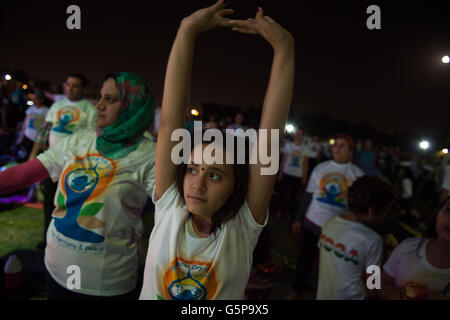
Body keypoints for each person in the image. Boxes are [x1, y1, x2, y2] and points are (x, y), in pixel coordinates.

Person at [139, 0, 295, 300]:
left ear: (236, 185)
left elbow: (270, 137)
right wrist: (187, 31)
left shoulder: (242, 227)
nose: (196, 183)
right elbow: (171, 122)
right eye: (193, 169)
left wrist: (284, 48)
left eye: (215, 176)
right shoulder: (170, 207)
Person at [0, 72, 156, 299]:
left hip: (106, 283)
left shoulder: (150, 155)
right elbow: (23, 175)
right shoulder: (79, 141)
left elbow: (174, 209)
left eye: (110, 99)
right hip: (55, 269)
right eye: (100, 97)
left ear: (133, 106)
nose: (99, 106)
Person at [287, 134, 364, 299]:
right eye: (335, 145)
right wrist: (299, 219)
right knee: (304, 258)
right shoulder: (321, 168)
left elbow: (359, 207)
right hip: (312, 222)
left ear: (351, 151)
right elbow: (308, 195)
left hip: (339, 228)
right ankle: (297, 289)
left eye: (342, 146)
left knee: (333, 265)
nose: (336, 148)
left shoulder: (358, 175)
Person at [28, 74, 97, 249]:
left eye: (75, 86)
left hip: (73, 166)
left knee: (68, 206)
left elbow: (90, 138)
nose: (70, 89)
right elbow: (45, 131)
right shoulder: (57, 106)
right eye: (68, 84)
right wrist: (34, 154)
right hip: (52, 163)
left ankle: (64, 243)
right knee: (48, 203)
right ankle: (46, 240)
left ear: (83, 89)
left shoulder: (89, 109)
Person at [316, 176, 397, 300]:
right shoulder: (373, 241)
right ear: (371, 211)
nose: (385, 216)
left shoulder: (330, 223)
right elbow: (373, 285)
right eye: (385, 211)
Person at [378, 196, 450, 300]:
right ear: (437, 213)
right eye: (449, 210)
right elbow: (382, 281)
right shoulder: (408, 248)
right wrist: (394, 295)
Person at [276, 128, 309, 221]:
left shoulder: (305, 149)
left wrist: (304, 178)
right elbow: (283, 160)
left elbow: (305, 164)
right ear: (294, 135)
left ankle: (289, 212)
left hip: (297, 175)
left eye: (300, 134)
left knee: (293, 196)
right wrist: (280, 173)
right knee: (282, 193)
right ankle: (279, 210)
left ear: (303, 136)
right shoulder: (288, 146)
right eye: (297, 133)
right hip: (286, 172)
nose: (298, 135)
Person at [16, 89, 49, 159]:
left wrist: (44, 142)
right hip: (27, 137)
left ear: (42, 99)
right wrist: (21, 137)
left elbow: (46, 128)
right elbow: (25, 124)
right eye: (34, 99)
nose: (35, 101)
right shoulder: (31, 109)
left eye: (37, 99)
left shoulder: (46, 110)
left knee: (32, 159)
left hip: (37, 140)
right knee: (23, 157)